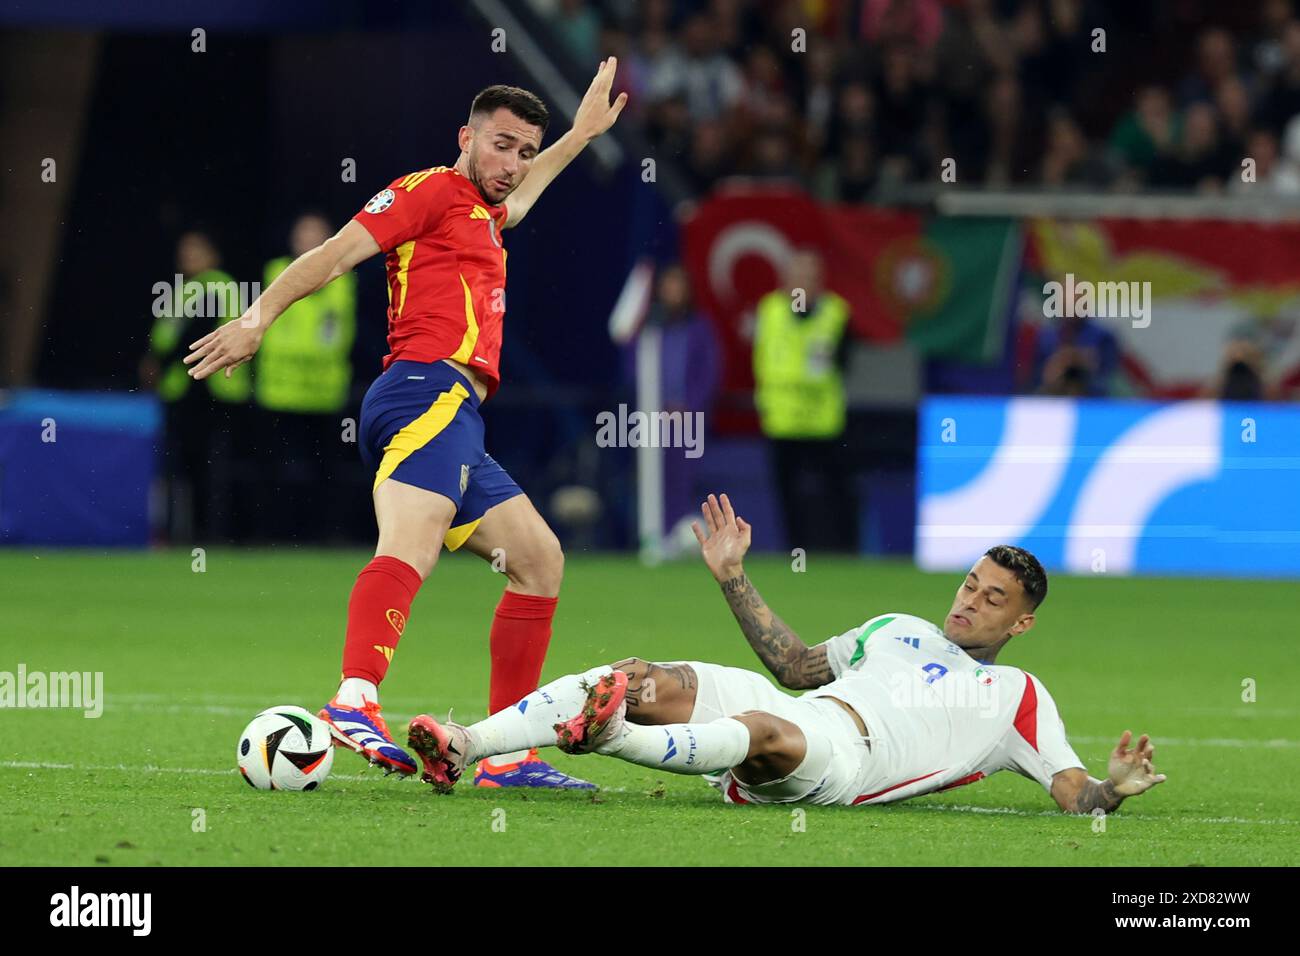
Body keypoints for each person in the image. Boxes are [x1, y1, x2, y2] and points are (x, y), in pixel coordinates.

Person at [185, 62, 628, 788]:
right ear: (467, 138)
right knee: (411, 545)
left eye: (524, 151)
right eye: (502, 146)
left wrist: (580, 135)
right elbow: (333, 256)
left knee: (539, 562)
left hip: (456, 413)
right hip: (425, 394)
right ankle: (354, 696)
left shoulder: (486, 213)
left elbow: (530, 191)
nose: (514, 165)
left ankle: (507, 752)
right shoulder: (430, 191)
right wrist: (258, 317)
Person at [407, 494, 1166, 814]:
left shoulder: (1016, 697)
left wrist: (1113, 789)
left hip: (843, 764)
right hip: (802, 709)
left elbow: (1074, 795)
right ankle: (465, 745)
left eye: (992, 599)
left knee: (763, 732)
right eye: (971, 584)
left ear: (1021, 624)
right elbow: (795, 668)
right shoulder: (898, 626)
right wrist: (734, 577)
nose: (969, 601)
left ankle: (613, 737)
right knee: (637, 676)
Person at [253, 213, 357, 543]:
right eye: (303, 234)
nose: (308, 241)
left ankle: (324, 536)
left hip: (324, 394)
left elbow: (341, 333)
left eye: (316, 234)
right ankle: (269, 536)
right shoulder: (274, 272)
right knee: (272, 471)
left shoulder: (343, 280)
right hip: (280, 391)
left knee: (327, 472)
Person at [141, 230, 251, 542]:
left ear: (213, 254)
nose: (188, 256)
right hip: (188, 388)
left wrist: (158, 364)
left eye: (196, 250)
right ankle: (190, 531)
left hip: (209, 390)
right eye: (185, 250)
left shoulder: (214, 285)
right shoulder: (188, 288)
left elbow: (195, 335)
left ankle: (206, 534)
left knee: (203, 467)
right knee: (190, 466)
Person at [752, 249, 855, 552]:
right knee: (787, 495)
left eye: (810, 277)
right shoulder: (770, 311)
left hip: (823, 421)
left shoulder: (836, 312)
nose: (803, 283)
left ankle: (841, 552)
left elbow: (845, 362)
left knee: (834, 493)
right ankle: (795, 553)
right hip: (782, 420)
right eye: (798, 276)